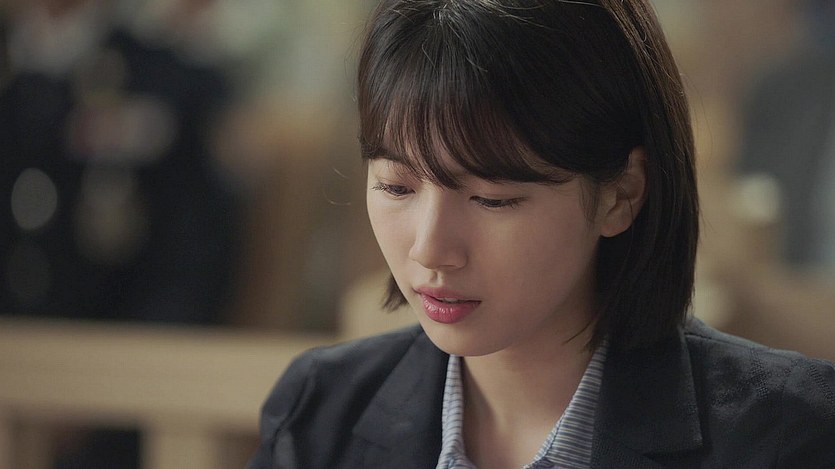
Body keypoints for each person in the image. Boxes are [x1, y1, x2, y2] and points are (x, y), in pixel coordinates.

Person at [249, 0, 835, 467]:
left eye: (493, 198)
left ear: (621, 194)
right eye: (397, 187)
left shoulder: (784, 434)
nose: (430, 248)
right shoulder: (319, 412)